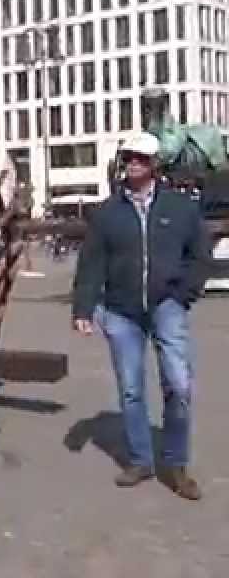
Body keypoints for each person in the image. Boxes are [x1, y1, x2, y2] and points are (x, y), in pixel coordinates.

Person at [71, 132, 209, 500]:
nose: (133, 163)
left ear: (154, 165)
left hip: (167, 304)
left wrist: (183, 295)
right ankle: (141, 460)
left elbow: (199, 254)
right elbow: (91, 263)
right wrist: (83, 308)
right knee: (131, 390)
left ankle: (177, 466)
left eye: (141, 158)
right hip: (121, 309)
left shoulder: (180, 208)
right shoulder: (108, 212)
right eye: (128, 157)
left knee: (178, 385)